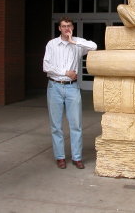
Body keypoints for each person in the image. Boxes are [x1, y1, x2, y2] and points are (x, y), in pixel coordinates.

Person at [43, 16, 97, 169]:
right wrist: (66, 72)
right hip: (55, 87)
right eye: (64, 26)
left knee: (76, 124)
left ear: (72, 28)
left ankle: (77, 157)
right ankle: (60, 157)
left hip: (72, 88)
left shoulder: (77, 44)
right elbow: (46, 66)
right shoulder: (52, 44)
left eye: (69, 26)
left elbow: (94, 46)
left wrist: (74, 41)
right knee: (56, 125)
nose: (67, 28)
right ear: (59, 28)